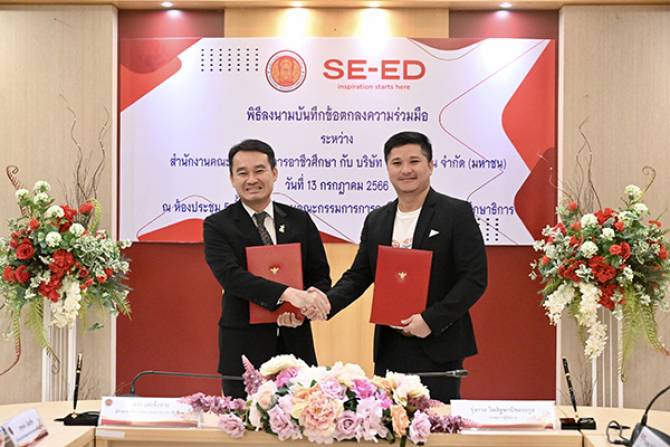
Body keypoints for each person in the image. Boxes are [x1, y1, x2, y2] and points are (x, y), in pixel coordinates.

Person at [308, 131, 487, 403]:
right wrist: (325, 303)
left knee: (438, 422)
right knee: (390, 420)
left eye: (414, 161)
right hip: (390, 346)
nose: (406, 170)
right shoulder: (377, 219)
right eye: (397, 163)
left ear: (430, 166)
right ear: (387, 168)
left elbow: (474, 278)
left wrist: (430, 320)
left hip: (438, 343)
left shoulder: (456, 213)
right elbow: (359, 275)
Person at [203, 139, 331, 398]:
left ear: (274, 173)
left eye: (259, 170)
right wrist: (288, 294)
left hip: (296, 345)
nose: (252, 179)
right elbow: (232, 278)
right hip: (243, 349)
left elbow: (320, 275)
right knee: (242, 420)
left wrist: (306, 305)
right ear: (232, 179)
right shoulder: (217, 225)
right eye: (242, 173)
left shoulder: (299, 220)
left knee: (302, 417)